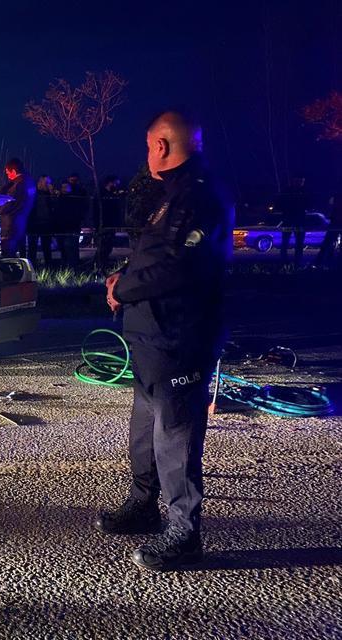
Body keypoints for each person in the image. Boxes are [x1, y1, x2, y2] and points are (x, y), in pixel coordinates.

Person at [97, 110, 233, 572]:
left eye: (147, 147)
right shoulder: (171, 195)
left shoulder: (199, 197)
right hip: (150, 338)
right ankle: (143, 505)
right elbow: (152, 254)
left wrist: (124, 289)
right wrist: (123, 276)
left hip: (180, 337)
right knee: (145, 426)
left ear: (159, 145)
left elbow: (180, 267)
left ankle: (185, 532)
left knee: (176, 433)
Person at [0, 158, 36, 258]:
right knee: (20, 251)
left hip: (10, 224)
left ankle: (10, 272)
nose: (7, 175)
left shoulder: (17, 185)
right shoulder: (29, 183)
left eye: (8, 172)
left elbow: (11, 203)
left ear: (13, 171)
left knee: (8, 254)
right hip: (21, 222)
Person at [274, 176, 310, 266]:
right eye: (300, 181)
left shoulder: (294, 191)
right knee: (292, 241)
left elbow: (279, 203)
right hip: (293, 219)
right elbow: (280, 203)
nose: (301, 183)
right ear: (295, 181)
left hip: (292, 219)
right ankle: (292, 262)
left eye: (302, 181)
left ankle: (289, 262)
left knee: (292, 241)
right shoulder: (299, 192)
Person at [95, 175, 126, 272]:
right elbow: (98, 210)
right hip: (104, 224)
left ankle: (102, 266)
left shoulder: (112, 195)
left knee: (107, 247)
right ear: (110, 183)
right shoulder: (101, 195)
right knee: (103, 247)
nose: (117, 185)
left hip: (111, 224)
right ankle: (99, 267)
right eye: (115, 183)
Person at [26, 174, 56, 269]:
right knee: (32, 248)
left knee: (47, 248)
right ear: (40, 181)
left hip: (46, 224)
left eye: (49, 183)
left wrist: (52, 194)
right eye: (47, 182)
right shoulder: (32, 192)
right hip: (33, 224)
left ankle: (48, 268)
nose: (48, 185)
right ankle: (31, 269)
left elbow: (54, 206)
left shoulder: (48, 194)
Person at [53, 180, 82, 267]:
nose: (64, 189)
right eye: (63, 187)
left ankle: (73, 268)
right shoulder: (59, 199)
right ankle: (66, 267)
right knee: (63, 250)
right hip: (61, 228)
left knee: (71, 249)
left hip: (71, 227)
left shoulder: (74, 199)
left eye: (66, 187)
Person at [315, 191, 341, 269]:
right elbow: (331, 203)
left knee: (328, 242)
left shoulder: (337, 194)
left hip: (335, 221)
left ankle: (320, 262)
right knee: (328, 242)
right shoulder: (337, 194)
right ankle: (321, 262)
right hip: (336, 221)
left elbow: (330, 203)